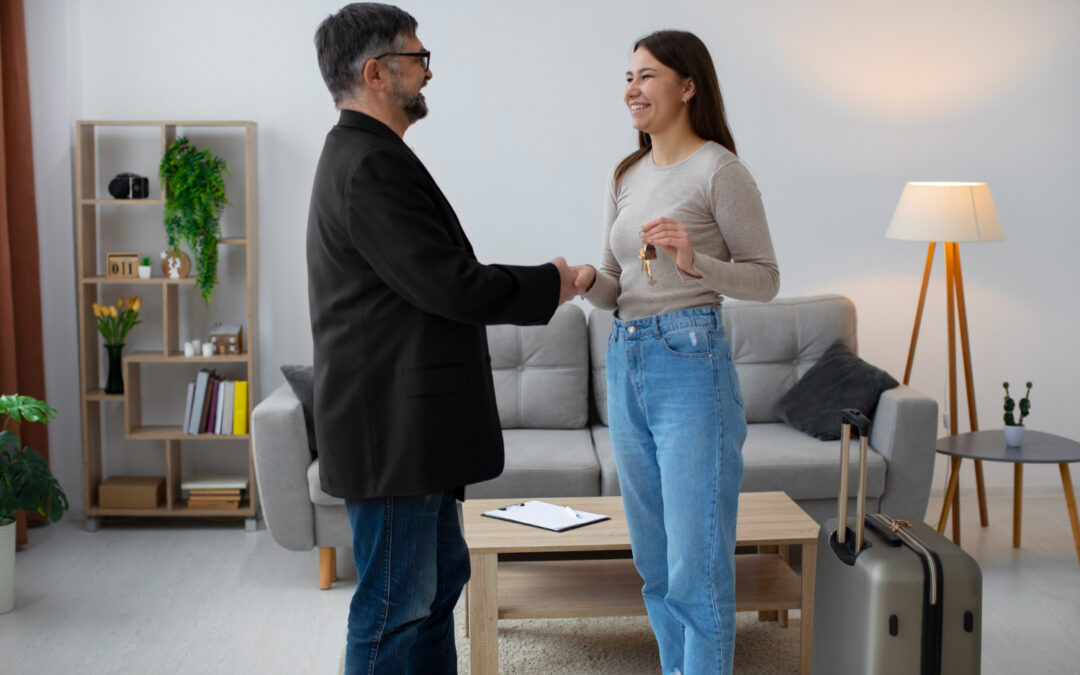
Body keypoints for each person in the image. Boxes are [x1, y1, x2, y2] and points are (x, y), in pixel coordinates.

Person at [307, 4, 581, 673]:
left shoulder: (372, 155)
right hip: (392, 432)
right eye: (416, 58)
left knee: (434, 590)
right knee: (394, 606)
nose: (429, 71)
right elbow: (449, 283)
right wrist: (555, 280)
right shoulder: (368, 164)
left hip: (414, 434)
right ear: (377, 72)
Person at [576, 30, 780, 675]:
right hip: (626, 356)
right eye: (627, 77)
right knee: (657, 563)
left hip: (691, 361)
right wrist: (581, 283)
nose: (631, 89)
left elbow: (766, 279)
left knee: (697, 563)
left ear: (687, 87)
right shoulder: (626, 175)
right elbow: (616, 286)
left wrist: (697, 262)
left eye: (647, 76)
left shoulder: (720, 170)